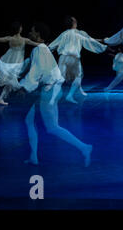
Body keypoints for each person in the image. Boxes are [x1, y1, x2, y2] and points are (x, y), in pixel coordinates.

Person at [20, 22, 92, 167]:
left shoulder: (39, 50)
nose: (30, 33)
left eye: (32, 31)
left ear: (38, 35)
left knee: (52, 127)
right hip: (48, 90)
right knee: (29, 120)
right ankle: (33, 156)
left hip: (49, 91)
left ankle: (84, 147)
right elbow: (30, 66)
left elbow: (36, 72)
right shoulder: (42, 49)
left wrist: (24, 87)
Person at [0, 21, 40, 105]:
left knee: (10, 83)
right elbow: (37, 44)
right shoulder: (24, 40)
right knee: (15, 83)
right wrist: (46, 46)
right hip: (16, 65)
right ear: (20, 29)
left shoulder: (10, 38)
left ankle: (1, 99)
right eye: (21, 27)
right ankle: (25, 90)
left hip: (10, 64)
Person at [48, 16, 107, 104]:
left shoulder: (64, 34)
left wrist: (47, 48)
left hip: (63, 57)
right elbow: (90, 40)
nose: (76, 22)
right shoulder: (79, 33)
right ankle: (70, 95)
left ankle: (52, 100)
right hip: (73, 58)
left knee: (60, 79)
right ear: (73, 23)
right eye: (75, 21)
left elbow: (53, 44)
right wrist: (103, 45)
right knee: (78, 76)